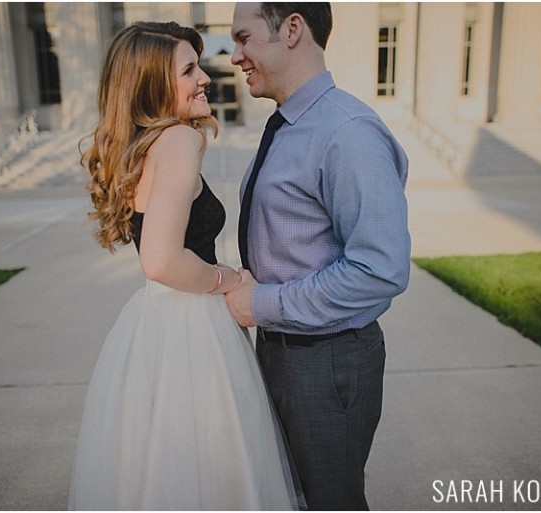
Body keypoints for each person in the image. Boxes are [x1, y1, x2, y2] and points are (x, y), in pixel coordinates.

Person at [68, 21, 303, 511]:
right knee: (214, 472)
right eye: (189, 70)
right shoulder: (178, 141)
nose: (205, 79)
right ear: (153, 83)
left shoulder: (142, 146)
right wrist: (230, 280)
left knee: (159, 471)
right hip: (192, 330)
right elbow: (160, 259)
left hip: (152, 324)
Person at [226, 3, 411, 510]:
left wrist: (258, 304)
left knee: (330, 502)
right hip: (286, 350)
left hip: (326, 362)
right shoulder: (290, 124)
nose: (235, 56)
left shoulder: (345, 130)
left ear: (291, 29)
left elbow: (380, 268)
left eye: (244, 38)